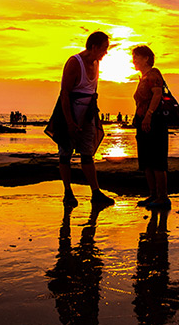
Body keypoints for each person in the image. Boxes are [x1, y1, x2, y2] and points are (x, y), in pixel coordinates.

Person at [45, 31, 115, 206]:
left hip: (88, 114)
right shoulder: (74, 63)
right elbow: (65, 94)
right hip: (69, 113)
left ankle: (96, 193)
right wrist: (69, 122)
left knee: (87, 153)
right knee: (65, 153)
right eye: (104, 48)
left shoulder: (97, 63)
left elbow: (92, 91)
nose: (106, 52)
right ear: (94, 46)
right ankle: (68, 193)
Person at [132, 45, 171, 209]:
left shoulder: (154, 74)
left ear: (146, 58)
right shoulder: (143, 76)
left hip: (154, 122)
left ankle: (162, 197)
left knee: (157, 160)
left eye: (137, 57)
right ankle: (153, 194)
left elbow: (157, 94)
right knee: (147, 160)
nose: (134, 61)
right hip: (143, 122)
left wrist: (148, 115)